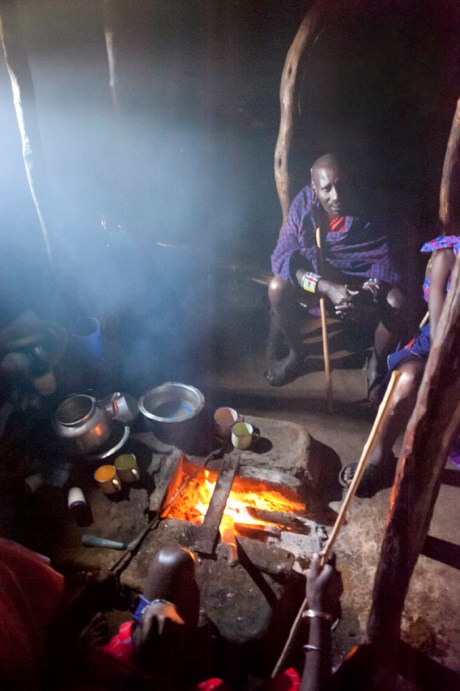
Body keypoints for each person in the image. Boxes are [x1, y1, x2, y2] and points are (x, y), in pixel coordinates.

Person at [266, 153, 405, 389]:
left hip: (360, 285)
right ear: (314, 188)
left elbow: (386, 266)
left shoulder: (369, 208)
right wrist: (327, 287)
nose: (335, 196)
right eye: (326, 189)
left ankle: (376, 364)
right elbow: (284, 258)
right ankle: (298, 356)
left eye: (340, 185)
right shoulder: (304, 208)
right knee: (276, 288)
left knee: (397, 303)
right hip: (320, 282)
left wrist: (366, 293)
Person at [339, 234, 460, 497]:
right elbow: (440, 335)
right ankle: (381, 459)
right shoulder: (448, 256)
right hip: (441, 345)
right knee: (408, 380)